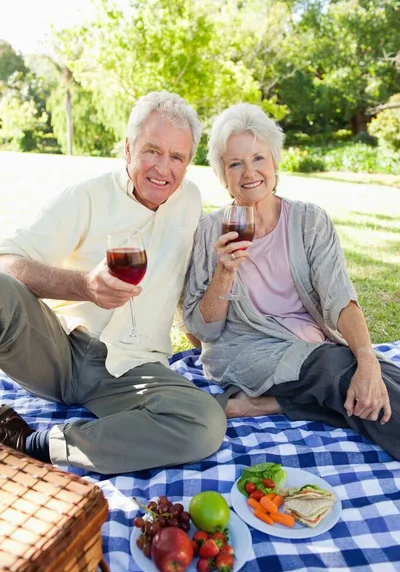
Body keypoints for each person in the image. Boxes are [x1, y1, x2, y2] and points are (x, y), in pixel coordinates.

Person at [0, 91, 227, 474]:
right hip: (58, 351)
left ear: (188, 164)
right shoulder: (86, 198)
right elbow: (8, 259)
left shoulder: (189, 201)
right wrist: (84, 285)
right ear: (128, 149)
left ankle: (38, 444)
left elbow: (186, 289)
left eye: (177, 157)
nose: (163, 168)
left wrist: (213, 351)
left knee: (205, 425)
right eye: (152, 150)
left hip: (134, 370)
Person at [183, 103, 400, 461]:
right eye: (235, 163)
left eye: (258, 158)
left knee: (379, 375)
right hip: (246, 351)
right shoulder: (211, 232)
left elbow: (340, 298)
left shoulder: (310, 221)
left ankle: (266, 404)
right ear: (223, 174)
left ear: (275, 162)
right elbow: (203, 330)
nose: (249, 172)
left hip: (316, 350)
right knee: (340, 375)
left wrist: (368, 360)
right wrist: (224, 272)